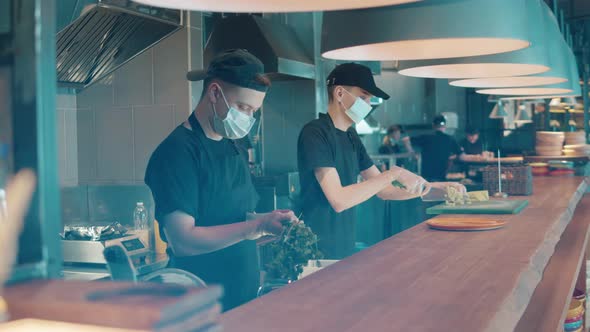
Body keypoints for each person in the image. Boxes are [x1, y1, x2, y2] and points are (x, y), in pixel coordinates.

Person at [145, 49, 297, 311]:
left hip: (243, 296)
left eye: (254, 111)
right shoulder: (177, 152)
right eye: (242, 107)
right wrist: (255, 226)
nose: (248, 118)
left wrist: (268, 225)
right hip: (201, 304)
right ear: (214, 93)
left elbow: (234, 220)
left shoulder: (233, 145)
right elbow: (183, 241)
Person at [297, 63, 465, 259]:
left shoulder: (351, 136)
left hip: (344, 246)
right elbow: (339, 200)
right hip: (316, 251)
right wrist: (394, 174)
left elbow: (384, 190)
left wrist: (438, 189)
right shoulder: (316, 132)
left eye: (369, 99)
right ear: (340, 94)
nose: (368, 105)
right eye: (363, 97)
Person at [411, 115, 463, 182]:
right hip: (442, 175)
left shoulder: (426, 137)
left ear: (433, 125)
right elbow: (461, 155)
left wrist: (412, 153)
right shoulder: (449, 139)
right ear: (444, 126)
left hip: (426, 176)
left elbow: (406, 140)